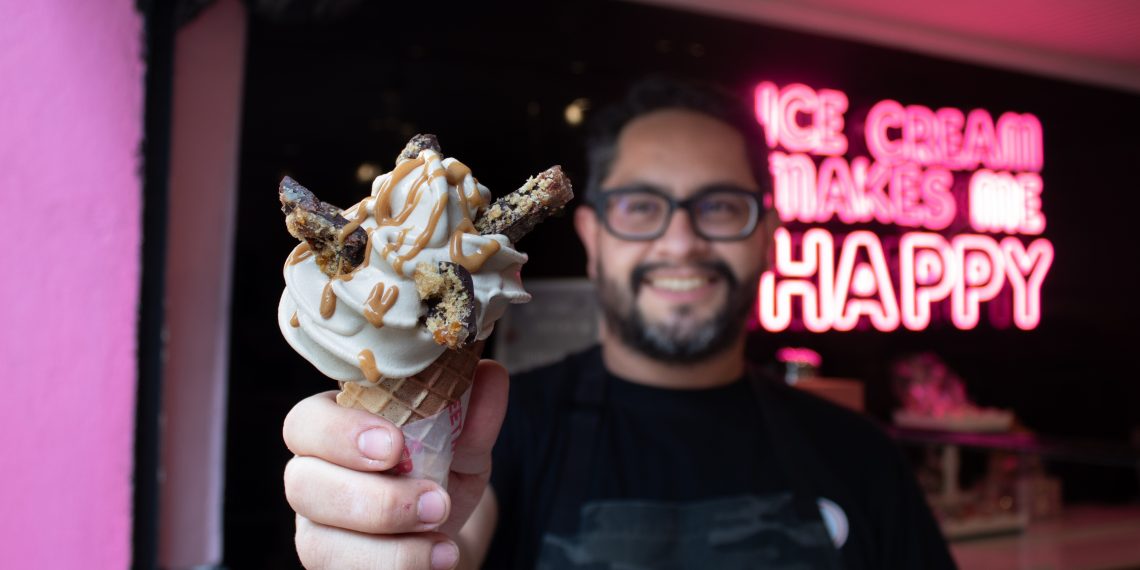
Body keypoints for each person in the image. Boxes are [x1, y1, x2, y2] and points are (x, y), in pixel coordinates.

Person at [281, 78, 958, 569]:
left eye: (719, 207)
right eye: (641, 206)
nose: (682, 242)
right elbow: (450, 542)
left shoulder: (862, 458)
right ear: (592, 238)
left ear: (768, 237)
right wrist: (389, 540)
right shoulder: (498, 426)